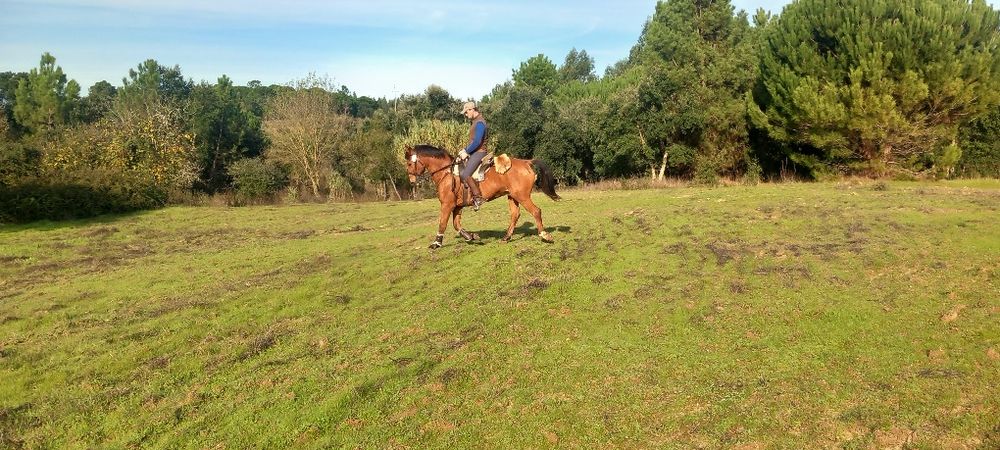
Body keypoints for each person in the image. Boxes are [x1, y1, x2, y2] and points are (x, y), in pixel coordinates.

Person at [458, 101, 488, 211]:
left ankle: (478, 197)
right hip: (475, 152)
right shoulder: (475, 122)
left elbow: (477, 141)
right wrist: (464, 150)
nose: (466, 115)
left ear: (471, 110)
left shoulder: (480, 123)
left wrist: (466, 151)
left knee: (466, 174)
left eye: (466, 112)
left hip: (480, 152)